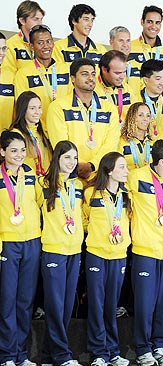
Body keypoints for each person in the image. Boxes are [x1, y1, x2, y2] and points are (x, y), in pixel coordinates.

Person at [127, 139, 163, 366]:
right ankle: (143, 348)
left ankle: (160, 346)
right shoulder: (135, 177)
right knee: (145, 304)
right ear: (161, 162)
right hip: (144, 250)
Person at [82, 152, 131, 366]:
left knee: (111, 306)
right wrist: (98, 232)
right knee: (96, 304)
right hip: (96, 254)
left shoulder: (127, 195)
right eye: (122, 167)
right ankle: (98, 353)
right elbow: (84, 219)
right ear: (109, 170)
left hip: (119, 255)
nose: (126, 171)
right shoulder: (90, 194)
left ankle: (113, 351)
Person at [39, 140, 84, 366]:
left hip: (74, 250)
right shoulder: (42, 184)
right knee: (55, 305)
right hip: (53, 251)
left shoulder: (77, 186)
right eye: (67, 157)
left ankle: (48, 355)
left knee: (66, 306)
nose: (71, 162)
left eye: (75, 158)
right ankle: (62, 355)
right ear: (56, 158)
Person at [0, 131, 42, 366]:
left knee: (25, 301)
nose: (19, 155)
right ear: (2, 152)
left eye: (22, 151)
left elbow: (38, 203)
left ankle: (21, 354)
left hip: (32, 241)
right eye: (13, 150)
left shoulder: (31, 174)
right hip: (8, 243)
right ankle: (7, 354)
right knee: (7, 300)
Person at [46, 58, 120, 181]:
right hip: (69, 175)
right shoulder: (58, 107)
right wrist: (77, 165)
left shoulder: (109, 109)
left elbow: (111, 144)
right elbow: (61, 144)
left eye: (93, 74)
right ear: (73, 78)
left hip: (100, 175)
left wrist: (92, 165)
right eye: (84, 74)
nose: (90, 78)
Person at [13, 24, 72, 122]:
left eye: (49, 41)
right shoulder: (23, 74)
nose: (46, 46)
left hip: (62, 129)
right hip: (37, 131)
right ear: (31, 46)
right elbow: (22, 109)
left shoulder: (66, 70)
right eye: (40, 43)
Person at [10, 91, 52, 175]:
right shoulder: (16, 134)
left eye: (39, 107)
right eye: (32, 108)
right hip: (29, 181)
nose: (38, 112)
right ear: (23, 110)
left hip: (45, 179)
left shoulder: (43, 131)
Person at [2, 1, 45, 77]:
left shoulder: (45, 44)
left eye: (41, 19)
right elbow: (7, 75)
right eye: (36, 19)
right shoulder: (10, 45)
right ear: (22, 21)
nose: (40, 24)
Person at [128, 5, 163, 74]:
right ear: (142, 22)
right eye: (150, 22)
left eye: (157, 23)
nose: (153, 26)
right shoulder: (128, 47)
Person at [96, 50, 138, 124]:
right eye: (117, 73)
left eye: (124, 72)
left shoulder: (127, 89)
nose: (122, 77)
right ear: (104, 70)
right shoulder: (92, 90)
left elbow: (137, 113)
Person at [119, 102, 154, 170]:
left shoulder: (153, 143)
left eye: (148, 116)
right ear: (132, 117)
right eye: (140, 115)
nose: (145, 119)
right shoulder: (121, 142)